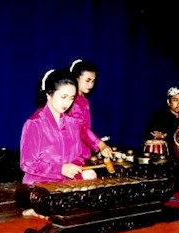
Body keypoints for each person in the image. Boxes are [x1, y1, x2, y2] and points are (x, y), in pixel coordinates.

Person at [20, 69, 97, 217]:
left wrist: (79, 170)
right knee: (64, 209)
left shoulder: (72, 123)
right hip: (39, 184)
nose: (67, 103)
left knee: (91, 182)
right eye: (63, 97)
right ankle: (39, 209)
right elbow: (27, 163)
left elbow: (79, 156)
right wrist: (60, 169)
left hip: (64, 181)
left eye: (71, 98)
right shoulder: (34, 123)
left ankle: (42, 211)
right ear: (49, 94)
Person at [67, 59, 112, 159]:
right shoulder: (73, 100)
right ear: (76, 78)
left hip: (82, 151)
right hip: (73, 153)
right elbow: (81, 128)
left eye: (93, 81)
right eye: (87, 80)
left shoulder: (83, 99)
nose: (91, 85)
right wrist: (101, 145)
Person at [144, 86, 179, 159]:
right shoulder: (159, 117)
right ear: (168, 102)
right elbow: (151, 135)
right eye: (175, 100)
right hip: (165, 160)